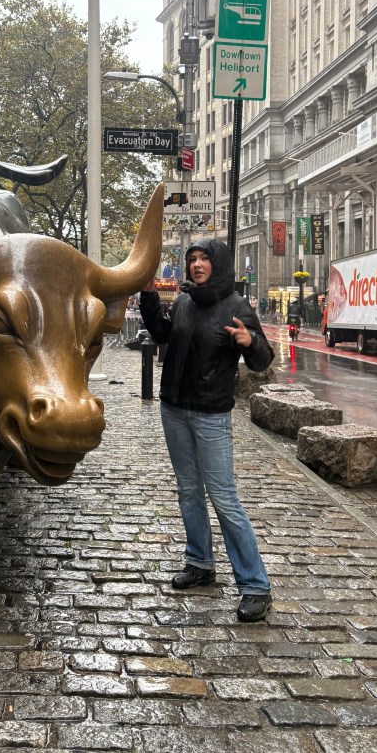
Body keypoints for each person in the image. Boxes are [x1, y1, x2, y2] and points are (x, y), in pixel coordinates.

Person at [140, 238, 275, 623]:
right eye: (192, 259)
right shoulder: (185, 301)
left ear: (218, 263)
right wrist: (148, 295)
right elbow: (162, 334)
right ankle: (200, 562)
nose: (197, 265)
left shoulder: (237, 306)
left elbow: (262, 360)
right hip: (174, 409)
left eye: (204, 259)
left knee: (224, 498)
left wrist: (251, 341)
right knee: (188, 491)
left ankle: (255, 585)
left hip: (211, 416)